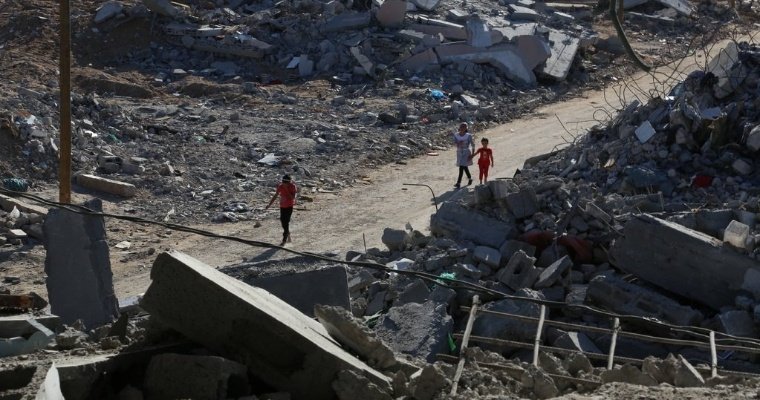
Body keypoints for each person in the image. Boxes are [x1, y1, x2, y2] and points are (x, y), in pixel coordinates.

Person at [265, 174, 297, 246]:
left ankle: (284, 240)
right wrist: (269, 205)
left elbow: (292, 198)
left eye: (285, 182)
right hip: (282, 206)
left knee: (286, 222)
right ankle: (288, 234)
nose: (284, 183)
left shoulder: (293, 186)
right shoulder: (280, 186)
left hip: (289, 206)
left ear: (289, 182)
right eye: (283, 182)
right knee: (283, 222)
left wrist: (286, 189)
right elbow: (275, 195)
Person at [453, 122, 475, 188]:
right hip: (459, 153)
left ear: (466, 128)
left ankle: (458, 182)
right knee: (464, 167)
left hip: (466, 153)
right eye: (461, 126)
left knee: (461, 167)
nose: (462, 128)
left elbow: (473, 145)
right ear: (459, 127)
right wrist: (458, 143)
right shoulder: (456, 135)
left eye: (464, 127)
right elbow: (454, 143)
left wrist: (472, 154)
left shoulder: (468, 135)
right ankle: (470, 178)